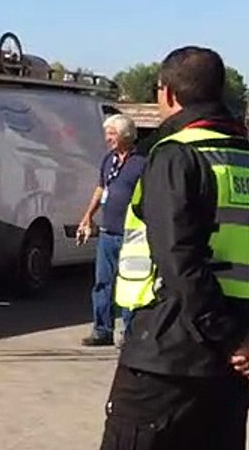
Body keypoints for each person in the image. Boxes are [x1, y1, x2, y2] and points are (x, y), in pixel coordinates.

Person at [99, 46, 249, 449]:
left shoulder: (176, 155)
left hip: (169, 353)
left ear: (167, 93)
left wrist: (229, 337)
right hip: (231, 367)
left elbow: (179, 260)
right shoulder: (242, 156)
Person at [76, 113, 147, 347]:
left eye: (112, 134)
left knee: (130, 285)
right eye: (107, 134)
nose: (108, 138)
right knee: (102, 283)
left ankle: (129, 333)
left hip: (132, 235)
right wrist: (88, 216)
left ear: (125, 135)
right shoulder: (109, 159)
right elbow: (101, 188)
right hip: (108, 233)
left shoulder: (142, 163)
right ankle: (102, 330)